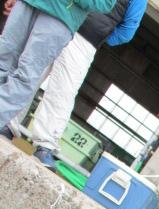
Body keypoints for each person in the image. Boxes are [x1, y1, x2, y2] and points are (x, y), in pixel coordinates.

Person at [13, 0, 147, 172]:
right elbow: (128, 31)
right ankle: (39, 144)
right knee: (50, 85)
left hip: (71, 28)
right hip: (74, 30)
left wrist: (100, 35)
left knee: (35, 76)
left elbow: (127, 31)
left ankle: (26, 133)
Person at [0, 0, 116, 134]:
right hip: (28, 3)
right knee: (3, 60)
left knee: (25, 75)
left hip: (61, 15)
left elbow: (105, 4)